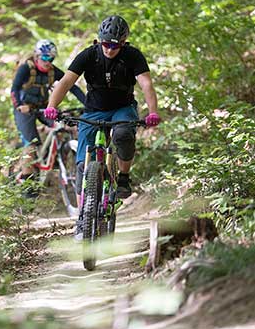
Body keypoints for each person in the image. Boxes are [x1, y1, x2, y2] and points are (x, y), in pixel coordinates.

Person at [44, 15, 160, 236]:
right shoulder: (89, 55)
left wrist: (153, 112)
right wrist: (52, 105)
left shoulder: (132, 56)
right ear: (99, 41)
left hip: (122, 108)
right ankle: (82, 219)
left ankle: (123, 178)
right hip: (93, 110)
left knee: (124, 134)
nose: (109, 49)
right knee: (81, 167)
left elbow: (146, 83)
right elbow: (67, 81)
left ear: (123, 43)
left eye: (114, 45)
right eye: (105, 44)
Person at [11, 39, 86, 196]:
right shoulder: (26, 69)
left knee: (66, 123)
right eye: (44, 57)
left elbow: (72, 86)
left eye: (51, 58)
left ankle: (64, 157)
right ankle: (27, 180)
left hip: (44, 108)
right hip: (25, 110)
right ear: (37, 56)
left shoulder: (53, 71)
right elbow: (15, 89)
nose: (47, 61)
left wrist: (88, 104)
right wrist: (19, 105)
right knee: (31, 143)